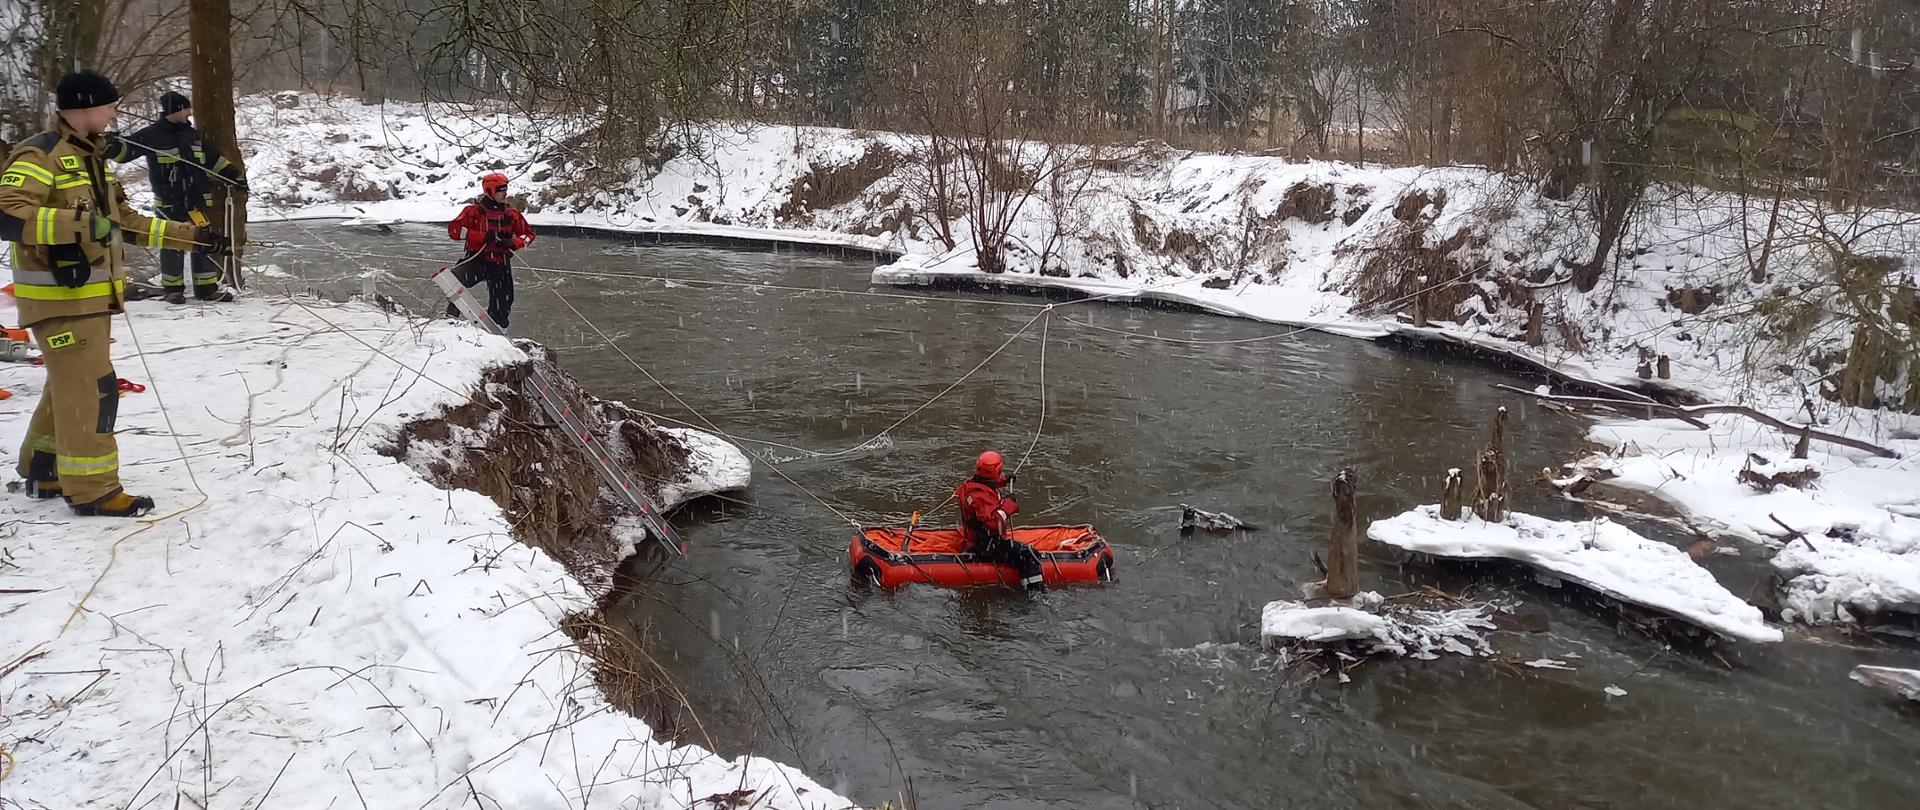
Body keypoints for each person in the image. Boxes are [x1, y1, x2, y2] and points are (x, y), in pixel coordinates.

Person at [0, 70, 223, 517]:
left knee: (70, 383)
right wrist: (81, 226)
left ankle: (44, 469)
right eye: (110, 106)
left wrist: (195, 237)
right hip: (60, 297)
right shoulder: (40, 153)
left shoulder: (92, 158)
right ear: (82, 108)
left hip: (88, 298)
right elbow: (8, 212)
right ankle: (94, 491)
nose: (115, 112)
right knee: (94, 390)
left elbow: (127, 222)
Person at [106, 90, 247, 304]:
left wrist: (234, 176)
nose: (190, 112)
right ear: (178, 110)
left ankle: (206, 289)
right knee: (171, 242)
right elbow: (125, 153)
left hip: (198, 202)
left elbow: (214, 161)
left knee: (203, 241)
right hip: (169, 203)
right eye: (186, 108)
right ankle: (173, 289)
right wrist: (113, 144)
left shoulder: (194, 136)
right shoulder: (152, 135)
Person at [445, 172, 533, 328]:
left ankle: (497, 330)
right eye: (501, 190)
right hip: (478, 260)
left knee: (503, 302)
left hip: (501, 264)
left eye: (506, 189)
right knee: (453, 281)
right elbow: (454, 231)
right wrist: (483, 237)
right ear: (490, 191)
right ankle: (450, 320)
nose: (505, 193)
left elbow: (529, 235)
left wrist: (514, 243)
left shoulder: (512, 215)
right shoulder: (473, 212)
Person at [956, 450, 1046, 595]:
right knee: (1027, 554)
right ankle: (1035, 594)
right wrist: (1008, 506)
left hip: (979, 540)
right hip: (985, 545)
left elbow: (986, 482)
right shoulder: (980, 497)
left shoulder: (972, 485)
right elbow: (993, 523)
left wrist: (1002, 480)